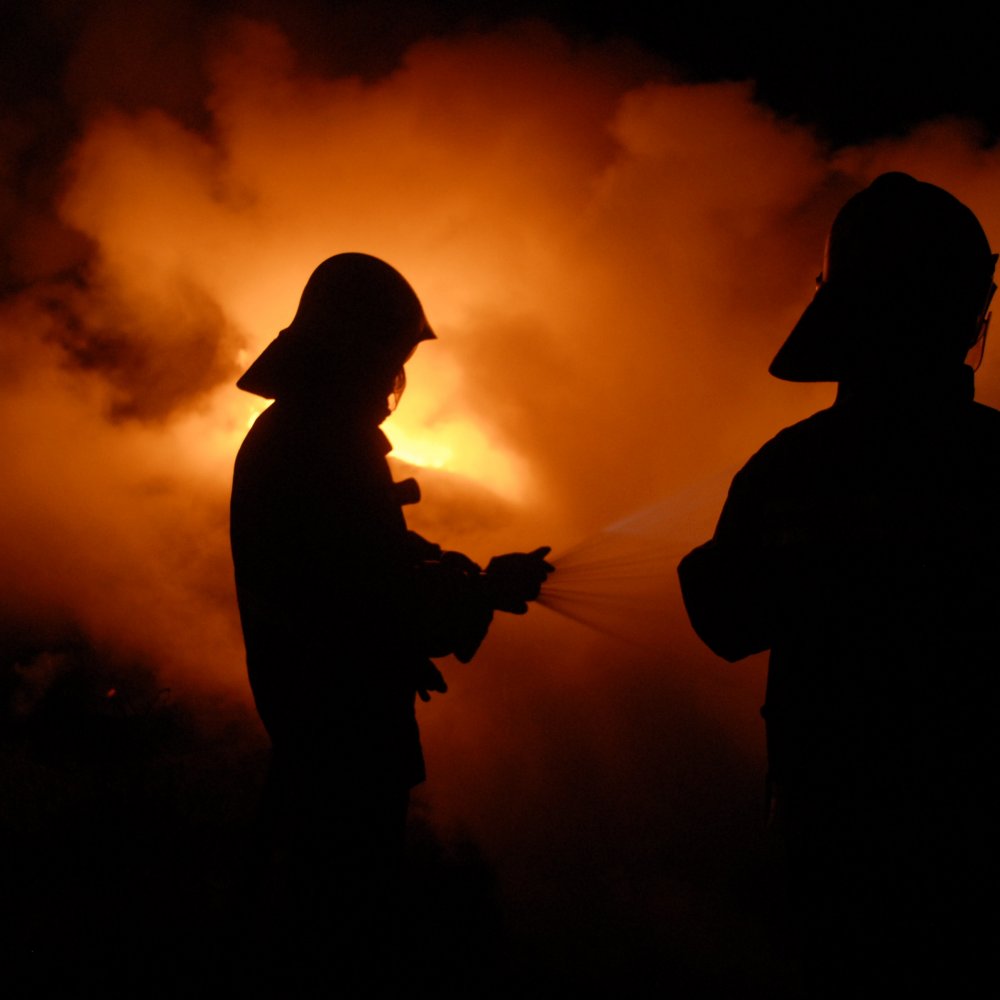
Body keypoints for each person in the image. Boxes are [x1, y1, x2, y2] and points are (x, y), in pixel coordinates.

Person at [677, 173, 1000, 995]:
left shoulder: (793, 468)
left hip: (837, 834)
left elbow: (728, 621)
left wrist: (702, 568)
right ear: (966, 311)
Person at [229, 252, 552, 990]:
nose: (391, 383)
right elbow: (368, 602)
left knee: (309, 906)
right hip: (339, 732)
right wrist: (484, 591)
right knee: (338, 926)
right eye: (388, 361)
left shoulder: (305, 436)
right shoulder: (320, 447)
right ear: (352, 353)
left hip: (318, 721)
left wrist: (465, 573)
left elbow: (375, 555)